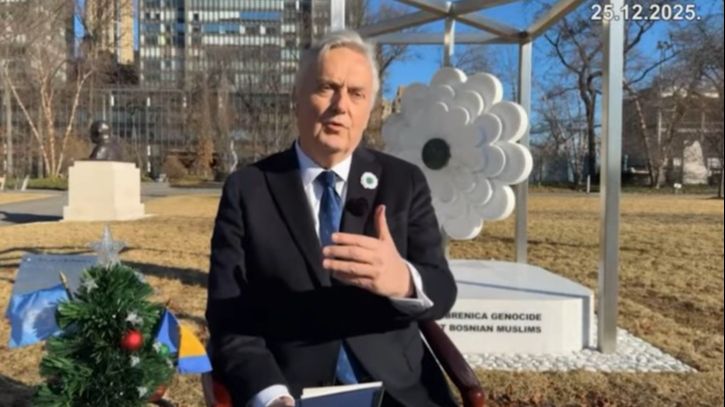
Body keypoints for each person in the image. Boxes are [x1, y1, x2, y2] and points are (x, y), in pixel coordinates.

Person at [206, 30, 458, 407]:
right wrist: (272, 395)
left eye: (356, 93)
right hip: (292, 392)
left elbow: (442, 290)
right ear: (296, 98)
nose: (341, 106)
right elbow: (229, 316)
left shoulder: (403, 183)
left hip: (399, 392)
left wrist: (403, 280)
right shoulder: (248, 189)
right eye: (327, 87)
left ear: (369, 109)